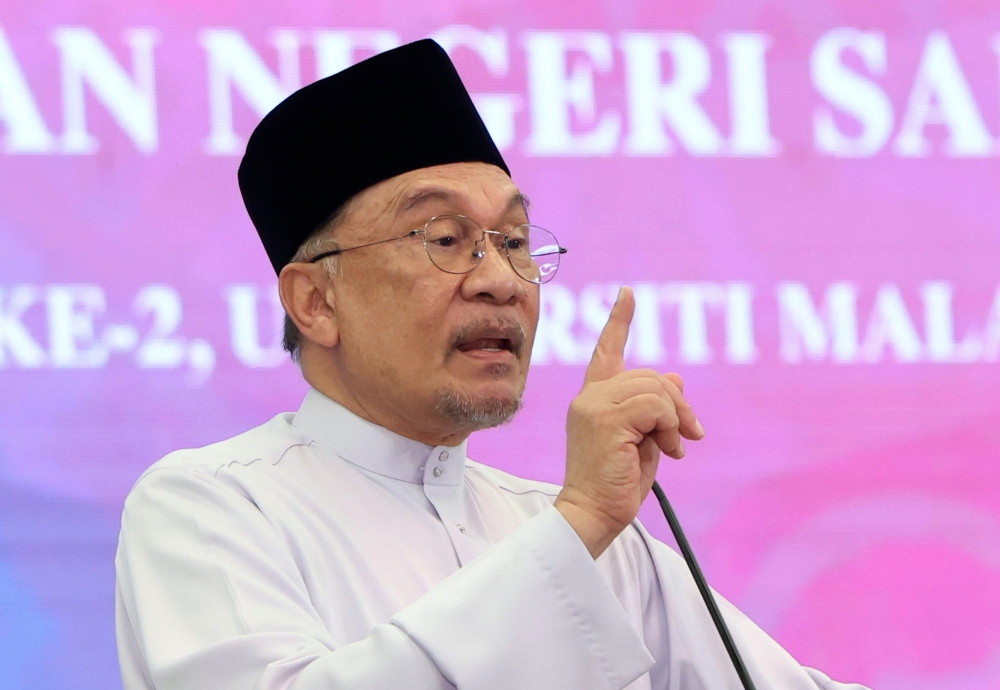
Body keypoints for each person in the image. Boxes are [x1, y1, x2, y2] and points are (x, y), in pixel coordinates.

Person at [115, 39, 869, 690]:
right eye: (444, 238)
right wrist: (575, 529)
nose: (502, 280)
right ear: (315, 302)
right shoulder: (209, 507)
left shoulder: (572, 530)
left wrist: (575, 527)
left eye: (512, 241)